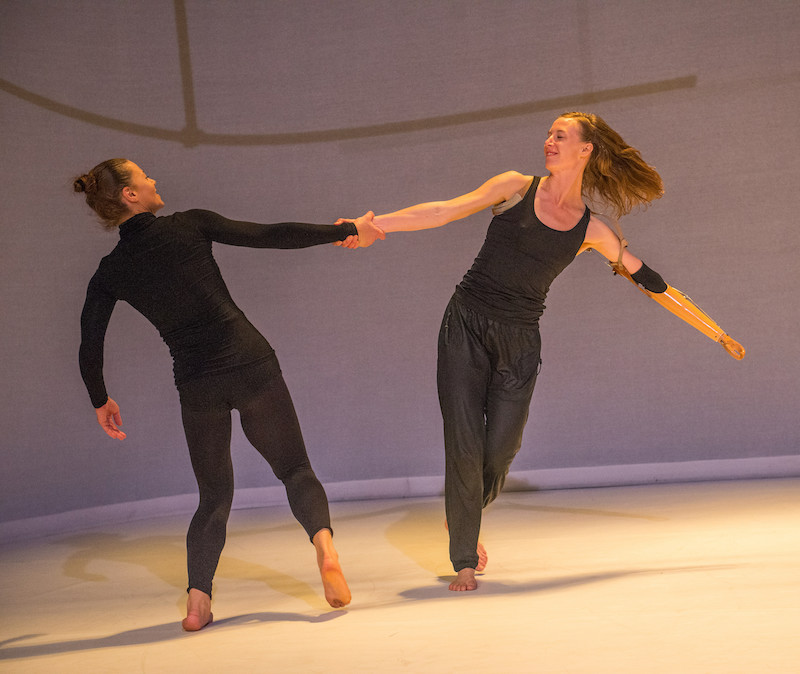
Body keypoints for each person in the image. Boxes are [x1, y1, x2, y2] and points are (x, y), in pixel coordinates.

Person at [366, 111, 720, 592]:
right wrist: (372, 224)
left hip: (520, 340)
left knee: (501, 450)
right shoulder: (515, 186)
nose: (548, 141)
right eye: (549, 134)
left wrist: (710, 327)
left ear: (586, 150)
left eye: (560, 136)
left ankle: (462, 511)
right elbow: (444, 210)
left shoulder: (592, 230)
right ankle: (465, 560)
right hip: (466, 324)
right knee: (465, 441)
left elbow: (645, 276)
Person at [75, 158, 384, 629]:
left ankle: (198, 601)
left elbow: (88, 341)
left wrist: (101, 398)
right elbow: (270, 235)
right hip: (250, 361)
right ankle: (324, 549)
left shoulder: (111, 271)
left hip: (198, 381)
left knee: (214, 496)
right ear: (129, 195)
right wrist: (343, 228)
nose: (154, 178)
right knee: (295, 468)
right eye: (143, 176)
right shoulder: (189, 226)